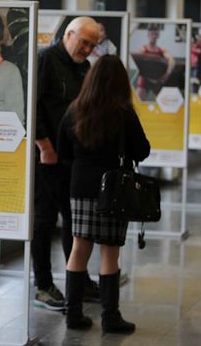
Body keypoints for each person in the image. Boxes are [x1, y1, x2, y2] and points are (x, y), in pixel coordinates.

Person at [57, 55, 150, 332]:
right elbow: (142, 150)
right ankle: (110, 318)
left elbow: (63, 151)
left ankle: (73, 314)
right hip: (113, 190)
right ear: (121, 83)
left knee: (78, 249)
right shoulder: (123, 113)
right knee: (110, 254)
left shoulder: (75, 109)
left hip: (81, 187)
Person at [33, 16, 100, 311]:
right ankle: (43, 285)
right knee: (45, 220)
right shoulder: (46, 60)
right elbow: (29, 105)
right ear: (68, 34)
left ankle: (78, 279)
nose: (86, 48)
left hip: (74, 158)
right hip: (47, 157)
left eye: (92, 45)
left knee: (75, 220)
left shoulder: (84, 68)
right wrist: (43, 145)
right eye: (83, 41)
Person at [135, 25, 175, 100]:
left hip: (157, 80)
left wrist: (167, 74)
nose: (153, 36)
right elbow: (137, 57)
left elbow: (171, 60)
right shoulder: (143, 49)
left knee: (162, 101)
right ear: (148, 35)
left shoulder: (161, 50)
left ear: (158, 36)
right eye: (151, 34)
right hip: (145, 79)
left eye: (155, 34)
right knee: (138, 101)